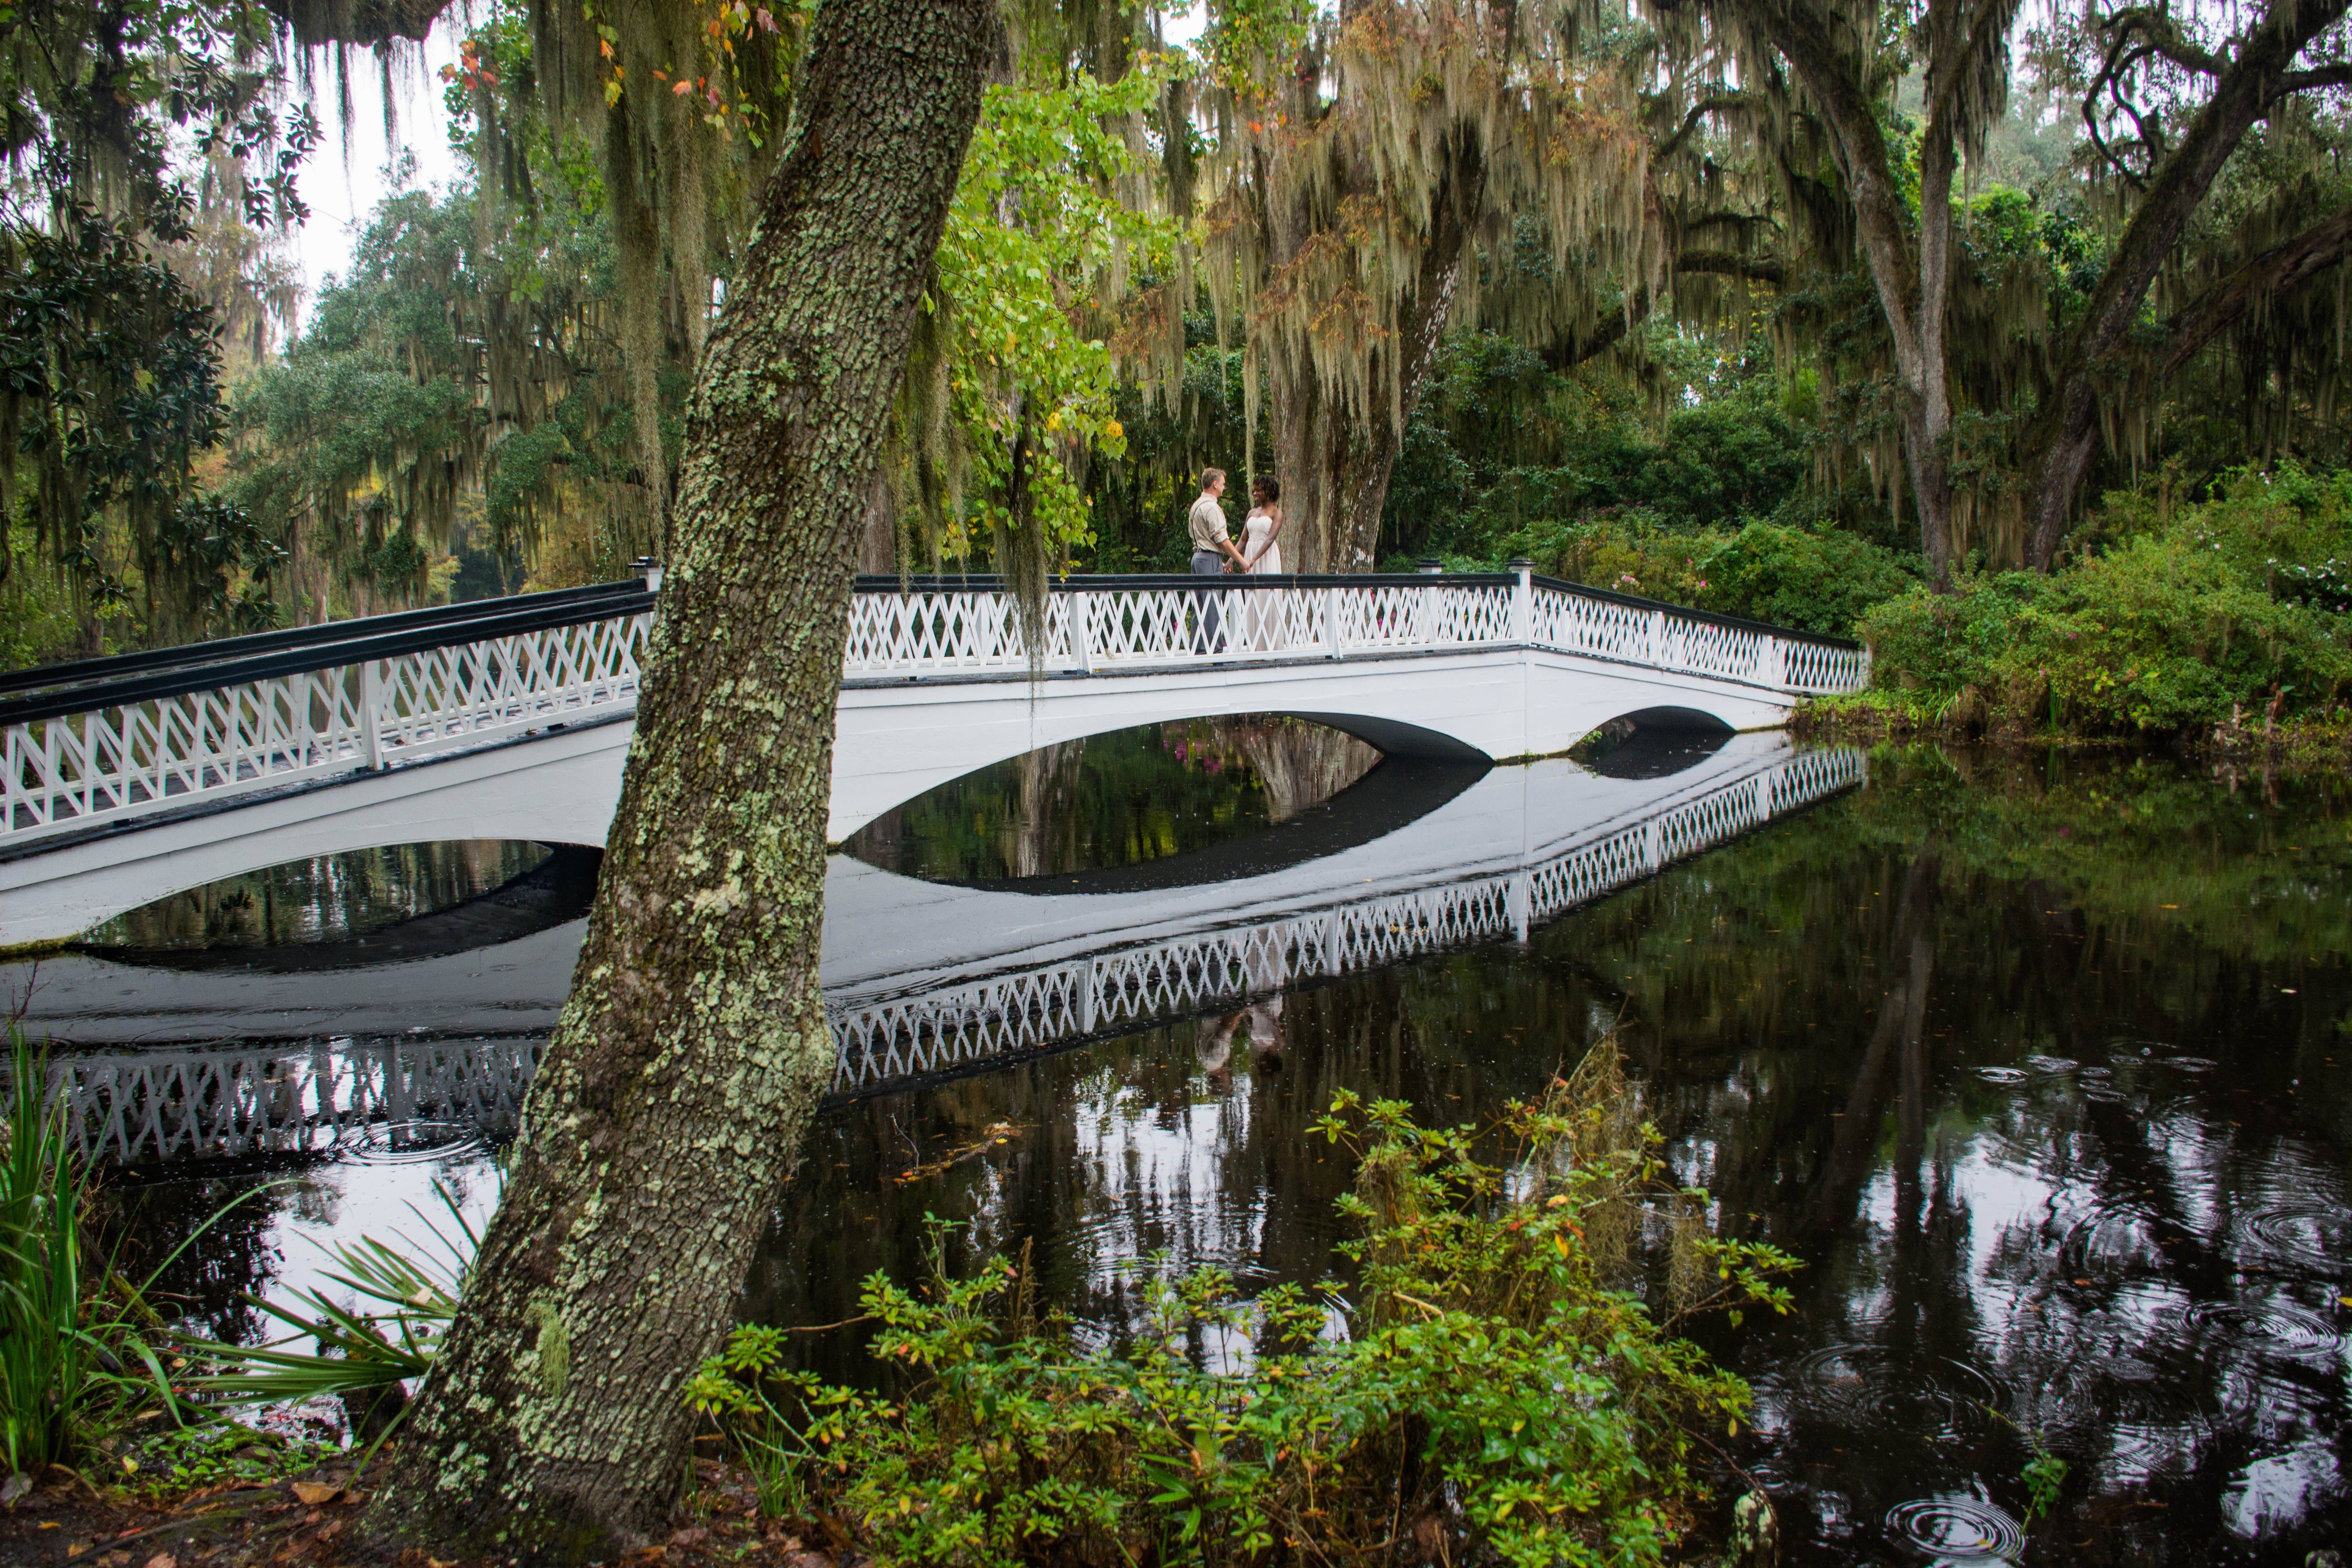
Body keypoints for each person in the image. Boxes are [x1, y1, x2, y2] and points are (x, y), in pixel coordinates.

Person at [1187, 468, 1244, 652]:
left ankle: (1198, 649)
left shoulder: (1196, 506)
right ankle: (1215, 651)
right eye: (1223, 483)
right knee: (1212, 605)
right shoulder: (1212, 507)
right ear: (1215, 484)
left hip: (1197, 557)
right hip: (1209, 557)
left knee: (1200, 605)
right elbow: (1221, 539)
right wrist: (1240, 560)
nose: (1224, 487)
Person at [1239, 474, 1287, 649]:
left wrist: (1253, 559)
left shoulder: (1277, 513)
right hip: (1251, 555)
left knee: (1268, 596)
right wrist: (1232, 560)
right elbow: (1243, 539)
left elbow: (1270, 539)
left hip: (1267, 557)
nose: (1255, 493)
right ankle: (1255, 646)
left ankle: (1272, 646)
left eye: (1258, 490)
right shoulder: (1252, 513)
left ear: (1268, 492)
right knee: (1253, 598)